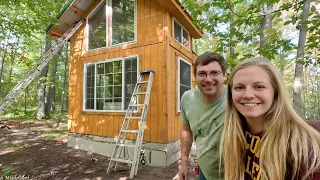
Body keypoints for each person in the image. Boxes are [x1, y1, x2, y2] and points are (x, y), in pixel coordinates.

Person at [221, 57, 320, 180]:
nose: (248, 95)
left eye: (259, 87)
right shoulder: (235, 134)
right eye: (239, 87)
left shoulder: (303, 139)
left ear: (276, 92)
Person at [179, 52, 227, 180]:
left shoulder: (236, 97)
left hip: (235, 173)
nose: (208, 79)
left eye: (214, 73)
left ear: (224, 75)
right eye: (202, 73)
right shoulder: (187, 98)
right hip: (205, 171)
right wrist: (184, 161)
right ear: (194, 76)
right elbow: (186, 129)